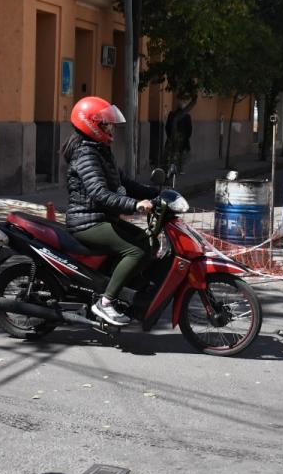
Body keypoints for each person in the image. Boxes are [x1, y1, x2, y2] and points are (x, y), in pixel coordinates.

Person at [64, 96, 160, 325]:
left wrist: (156, 193)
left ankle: (124, 292)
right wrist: (134, 205)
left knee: (149, 242)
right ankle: (105, 303)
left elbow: (124, 182)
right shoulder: (86, 154)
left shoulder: (100, 150)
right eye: (107, 124)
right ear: (92, 125)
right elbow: (99, 193)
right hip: (86, 222)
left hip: (101, 217)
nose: (111, 128)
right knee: (135, 251)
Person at [163, 98, 192, 174]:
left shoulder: (172, 114)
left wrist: (169, 136)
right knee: (181, 154)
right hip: (182, 139)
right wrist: (186, 137)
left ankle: (171, 169)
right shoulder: (187, 116)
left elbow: (167, 127)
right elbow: (189, 129)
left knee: (171, 154)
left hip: (172, 138)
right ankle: (180, 169)